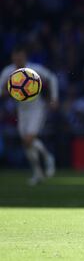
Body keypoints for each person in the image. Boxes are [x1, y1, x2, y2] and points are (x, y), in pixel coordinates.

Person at [0, 45, 59, 186]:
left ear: (25, 57)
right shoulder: (8, 71)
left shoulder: (34, 70)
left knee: (28, 139)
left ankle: (48, 158)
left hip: (37, 109)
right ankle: (38, 172)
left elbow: (52, 78)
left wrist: (54, 98)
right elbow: (1, 92)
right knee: (27, 144)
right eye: (15, 56)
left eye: (20, 56)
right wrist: (9, 91)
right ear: (12, 57)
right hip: (21, 110)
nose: (17, 59)